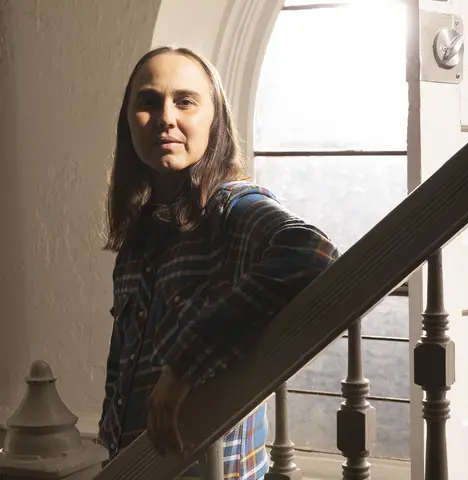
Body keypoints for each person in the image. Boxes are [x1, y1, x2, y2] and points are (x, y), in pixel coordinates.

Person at [97, 46, 339, 480]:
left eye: (185, 101)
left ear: (215, 120)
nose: (166, 117)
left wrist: (184, 364)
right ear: (128, 122)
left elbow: (312, 252)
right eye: (148, 102)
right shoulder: (138, 240)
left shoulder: (231, 209)